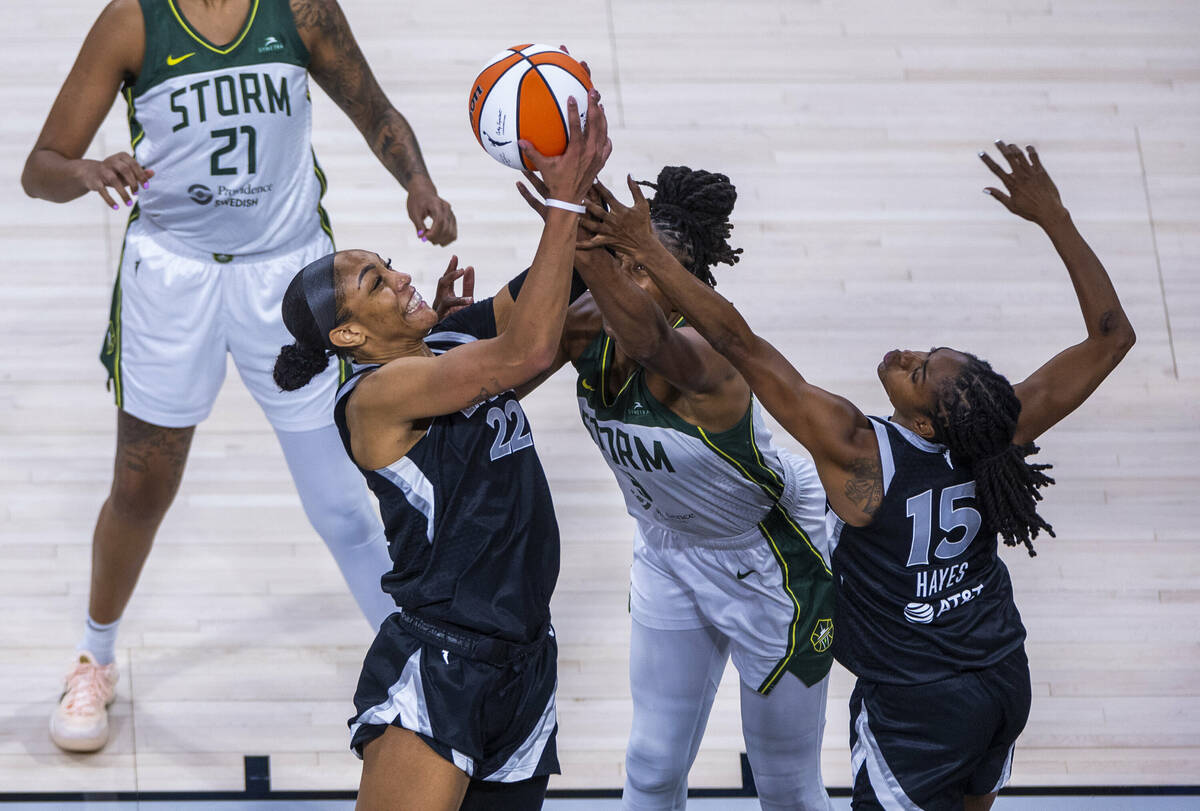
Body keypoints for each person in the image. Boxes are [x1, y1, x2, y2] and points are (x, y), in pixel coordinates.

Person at [580, 142, 1135, 811]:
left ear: (927, 425)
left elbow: (739, 346)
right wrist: (1056, 218)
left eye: (920, 371)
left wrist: (652, 251)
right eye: (928, 351)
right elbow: (1112, 338)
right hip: (1000, 674)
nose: (905, 355)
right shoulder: (1002, 431)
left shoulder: (859, 451)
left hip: (918, 704)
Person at [21, 0, 456, 753]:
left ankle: (418, 656)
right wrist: (87, 171)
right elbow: (39, 170)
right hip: (173, 278)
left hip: (286, 279)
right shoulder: (133, 21)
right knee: (141, 486)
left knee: (340, 499)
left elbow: (374, 109)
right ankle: (96, 655)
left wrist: (417, 182)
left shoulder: (300, 10)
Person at [274, 91, 610, 811]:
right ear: (348, 337)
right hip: (443, 662)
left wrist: (606, 211)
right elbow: (531, 347)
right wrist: (564, 207)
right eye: (377, 284)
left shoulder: (452, 341)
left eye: (389, 265)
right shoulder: (375, 397)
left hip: (524, 658)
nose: (402, 277)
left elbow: (567, 303)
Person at [517, 166, 834, 810]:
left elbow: (649, 339)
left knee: (786, 782)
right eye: (619, 268)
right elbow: (505, 367)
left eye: (647, 274)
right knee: (652, 762)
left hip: (770, 558)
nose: (625, 285)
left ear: (677, 293)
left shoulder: (705, 361)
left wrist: (589, 244)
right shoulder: (585, 325)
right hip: (666, 549)